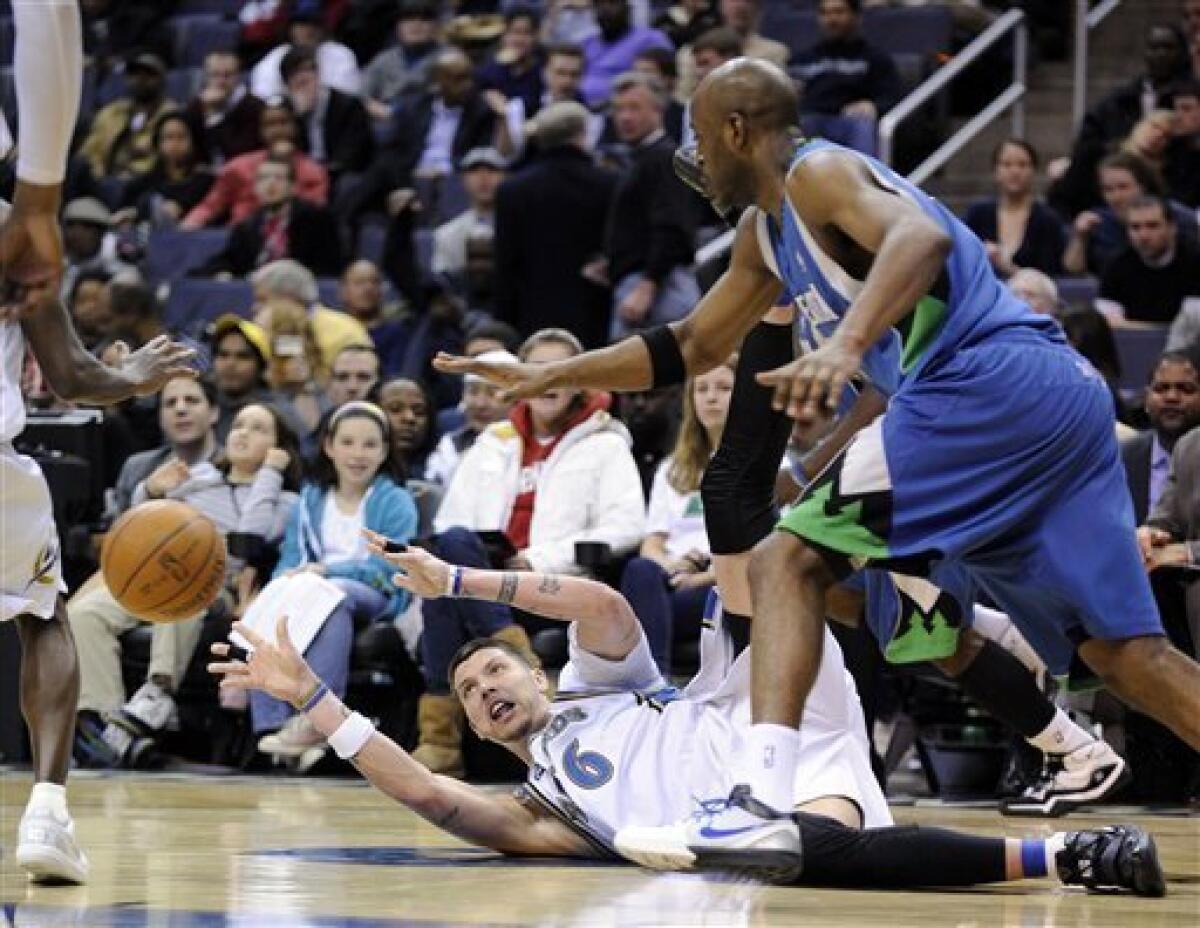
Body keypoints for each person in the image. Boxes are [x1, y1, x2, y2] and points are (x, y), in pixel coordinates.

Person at [436, 58, 1200, 877]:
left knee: (785, 560)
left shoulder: (820, 173)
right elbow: (689, 346)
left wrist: (840, 344)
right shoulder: (765, 234)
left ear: (737, 130)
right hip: (1056, 404)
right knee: (1123, 655)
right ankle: (1056, 738)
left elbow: (924, 235)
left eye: (699, 134)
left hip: (981, 383)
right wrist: (553, 373)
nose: (693, 157)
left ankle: (761, 802)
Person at [207, 541, 1166, 897]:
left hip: (769, 715)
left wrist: (463, 581)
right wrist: (315, 701)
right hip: (782, 819)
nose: (486, 689)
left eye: (497, 668)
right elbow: (433, 796)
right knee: (809, 859)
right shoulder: (542, 808)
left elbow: (602, 607)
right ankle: (1075, 857)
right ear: (486, 731)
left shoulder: (598, 684)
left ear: (537, 676)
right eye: (469, 695)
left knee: (743, 536)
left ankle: (768, 348)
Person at [2, 0, 197, 884]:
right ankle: (46, 812)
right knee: (43, 611)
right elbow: (76, 378)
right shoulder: (16, 231)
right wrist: (140, 375)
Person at [71, 395, 300, 768]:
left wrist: (270, 474)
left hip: (217, 584)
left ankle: (157, 692)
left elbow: (248, 542)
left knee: (182, 597)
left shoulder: (285, 499)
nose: (243, 433)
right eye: (239, 425)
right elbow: (134, 533)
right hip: (154, 575)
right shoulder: (198, 480)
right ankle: (109, 724)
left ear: (280, 449)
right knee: (85, 614)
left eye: (259, 429)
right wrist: (151, 492)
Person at [248, 401, 418, 765]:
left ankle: (318, 720)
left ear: (385, 451)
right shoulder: (310, 498)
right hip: (312, 587)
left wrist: (326, 572)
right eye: (349, 442)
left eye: (370, 445)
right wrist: (288, 579)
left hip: (372, 593)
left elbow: (389, 570)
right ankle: (271, 726)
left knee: (332, 596)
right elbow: (291, 556)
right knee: (278, 592)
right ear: (329, 446)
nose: (358, 454)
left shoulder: (395, 500)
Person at [621, 357, 733, 672]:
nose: (711, 397)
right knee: (640, 569)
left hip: (723, 583)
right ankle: (657, 684)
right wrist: (674, 569)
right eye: (702, 389)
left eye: (724, 388)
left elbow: (765, 550)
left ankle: (651, 682)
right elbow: (652, 544)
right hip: (671, 581)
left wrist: (701, 576)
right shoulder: (672, 468)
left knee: (646, 608)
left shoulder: (774, 466)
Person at [494, 101, 618, 348]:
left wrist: (504, 319)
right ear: (581, 134)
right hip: (593, 306)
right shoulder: (609, 183)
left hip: (530, 309)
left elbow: (505, 261)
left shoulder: (512, 189)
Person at [182, 98, 331, 229]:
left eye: (283, 122)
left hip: (292, 240)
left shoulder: (313, 171)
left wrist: (285, 164)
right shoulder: (237, 167)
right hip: (243, 242)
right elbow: (209, 206)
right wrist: (188, 225)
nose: (277, 130)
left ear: (295, 127)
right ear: (261, 130)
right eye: (270, 124)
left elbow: (313, 216)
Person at [194, 155, 345, 278]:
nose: (270, 184)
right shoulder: (247, 226)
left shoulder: (317, 220)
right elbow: (228, 260)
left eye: (278, 178)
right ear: (255, 188)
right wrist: (222, 272)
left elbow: (330, 266)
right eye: (263, 179)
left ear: (292, 187)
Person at [791, 0, 902, 157]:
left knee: (862, 125)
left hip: (851, 122)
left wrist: (873, 105)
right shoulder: (802, 59)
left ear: (857, 17)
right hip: (811, 121)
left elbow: (891, 96)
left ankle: (861, 179)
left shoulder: (875, 58)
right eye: (825, 13)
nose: (831, 19)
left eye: (839, 12)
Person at [964, 140, 1066, 278]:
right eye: (1006, 165)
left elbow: (1050, 277)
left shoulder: (1047, 219)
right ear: (995, 171)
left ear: (1033, 171)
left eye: (1023, 165)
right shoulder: (978, 214)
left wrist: (1008, 267)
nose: (1015, 171)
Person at [1122, 350, 1200, 524]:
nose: (1171, 397)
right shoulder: (1123, 457)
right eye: (1161, 388)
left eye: (1186, 389)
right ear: (1146, 398)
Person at [1096, 195, 1200, 326]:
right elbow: (1107, 321)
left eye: (1152, 226)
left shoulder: (1195, 261)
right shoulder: (1116, 265)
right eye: (1135, 227)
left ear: (1172, 228)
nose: (1143, 235)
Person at [77, 52, 178, 180]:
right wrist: (96, 173)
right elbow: (90, 149)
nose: (141, 79)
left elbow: (164, 159)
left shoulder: (171, 115)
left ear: (162, 80)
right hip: (101, 179)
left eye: (149, 75)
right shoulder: (112, 112)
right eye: (134, 74)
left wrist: (131, 171)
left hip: (140, 181)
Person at [424, 350, 517, 487]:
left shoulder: (529, 445)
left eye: (492, 393)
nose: (480, 404)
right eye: (473, 392)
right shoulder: (451, 445)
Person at [115, 113, 216, 228]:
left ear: (194, 141)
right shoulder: (142, 184)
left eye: (181, 137)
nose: (174, 144)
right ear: (158, 143)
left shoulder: (206, 182)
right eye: (168, 137)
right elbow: (122, 214)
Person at [183, 51, 265, 169]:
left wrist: (214, 115)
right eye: (215, 75)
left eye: (228, 75)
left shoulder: (255, 107)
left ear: (238, 76)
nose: (221, 81)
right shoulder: (196, 106)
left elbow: (239, 153)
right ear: (206, 77)